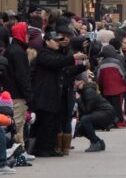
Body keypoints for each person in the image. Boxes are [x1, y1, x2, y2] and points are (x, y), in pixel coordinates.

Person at [31, 23, 87, 157]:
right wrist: (73, 58)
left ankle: (50, 148)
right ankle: (42, 149)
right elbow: (56, 63)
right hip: (45, 95)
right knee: (46, 123)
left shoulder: (55, 54)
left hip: (56, 95)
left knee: (54, 123)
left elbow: (65, 70)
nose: (58, 43)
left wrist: (82, 67)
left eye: (58, 40)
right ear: (47, 41)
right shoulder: (43, 54)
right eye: (55, 40)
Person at [2, 21, 32, 150]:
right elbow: (22, 76)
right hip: (17, 94)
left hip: (12, 92)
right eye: (27, 33)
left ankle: (20, 150)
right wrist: (29, 94)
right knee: (18, 123)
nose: (28, 37)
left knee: (18, 123)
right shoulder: (19, 52)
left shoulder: (12, 49)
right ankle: (19, 151)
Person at [73, 73, 115, 152]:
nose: (75, 84)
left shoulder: (89, 91)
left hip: (106, 113)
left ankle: (94, 143)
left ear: (82, 82)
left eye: (76, 81)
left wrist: (78, 99)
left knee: (85, 119)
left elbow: (86, 110)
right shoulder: (83, 91)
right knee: (80, 128)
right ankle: (99, 142)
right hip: (101, 113)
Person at [96, 43, 126, 127]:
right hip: (118, 88)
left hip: (106, 89)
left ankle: (110, 122)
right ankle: (120, 122)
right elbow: (123, 75)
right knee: (118, 107)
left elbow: (98, 77)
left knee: (109, 107)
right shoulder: (117, 62)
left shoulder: (101, 64)